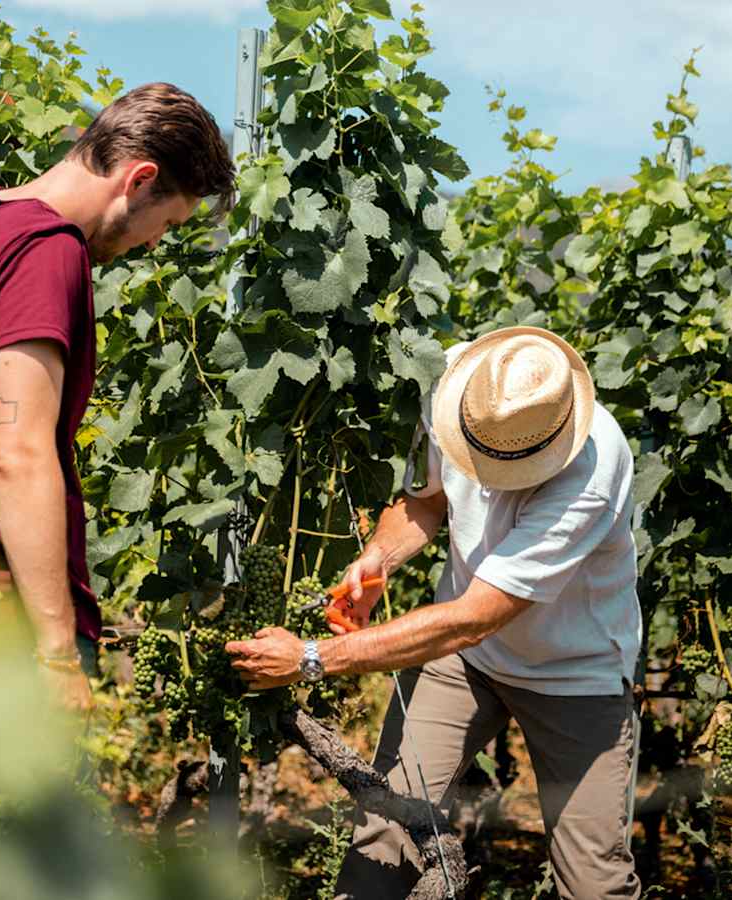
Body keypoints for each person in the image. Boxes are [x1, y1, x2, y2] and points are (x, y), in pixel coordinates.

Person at [226, 327, 643, 899]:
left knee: (594, 882)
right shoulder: (455, 383)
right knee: (383, 833)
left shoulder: (591, 477)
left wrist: (312, 657)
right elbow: (425, 500)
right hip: (466, 660)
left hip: (574, 672)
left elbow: (475, 614)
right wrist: (380, 557)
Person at [0, 83, 234, 712]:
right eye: (170, 221)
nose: (156, 242)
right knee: (4, 810)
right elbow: (16, 452)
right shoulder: (45, 252)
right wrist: (52, 647)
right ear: (139, 180)